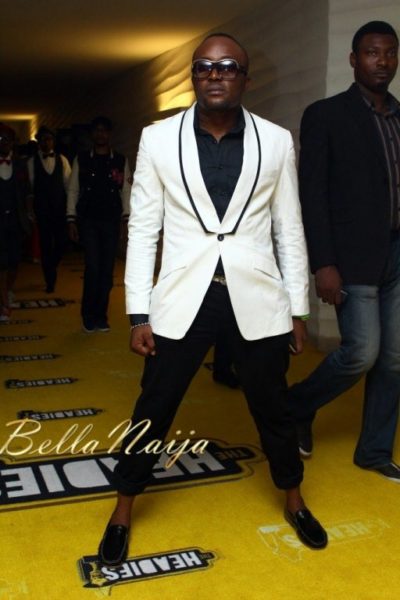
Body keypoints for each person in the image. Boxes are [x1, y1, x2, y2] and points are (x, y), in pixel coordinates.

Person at [98, 33, 328, 566]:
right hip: (182, 299)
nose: (215, 74)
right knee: (154, 407)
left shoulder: (276, 141)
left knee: (273, 408)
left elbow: (289, 229)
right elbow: (144, 230)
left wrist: (298, 309)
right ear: (194, 76)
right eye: (204, 66)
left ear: (245, 78)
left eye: (227, 66)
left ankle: (294, 499)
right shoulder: (158, 139)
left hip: (258, 298)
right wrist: (138, 313)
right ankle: (122, 509)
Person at [289, 21, 400, 483]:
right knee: (361, 352)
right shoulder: (326, 115)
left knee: (395, 357)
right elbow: (312, 194)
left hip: (397, 254)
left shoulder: (399, 116)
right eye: (372, 52)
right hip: (352, 257)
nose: (382, 61)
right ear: (354, 60)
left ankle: (374, 450)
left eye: (390, 52)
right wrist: (324, 263)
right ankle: (297, 405)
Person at [66, 116, 131, 332]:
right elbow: (73, 189)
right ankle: (88, 315)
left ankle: (101, 316)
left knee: (107, 270)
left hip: (111, 221)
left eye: (104, 130)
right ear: (92, 135)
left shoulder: (120, 160)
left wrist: (126, 219)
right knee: (93, 267)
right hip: (89, 221)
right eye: (97, 130)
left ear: (109, 134)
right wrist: (71, 218)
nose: (100, 134)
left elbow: (126, 191)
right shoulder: (82, 159)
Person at [27, 126, 71, 293]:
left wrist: (70, 210)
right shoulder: (31, 162)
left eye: (49, 139)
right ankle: (50, 281)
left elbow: (69, 186)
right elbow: (31, 188)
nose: (46, 142)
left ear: (53, 141)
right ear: (38, 142)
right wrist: (31, 211)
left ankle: (51, 265)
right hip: (42, 211)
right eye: (43, 139)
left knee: (62, 243)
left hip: (60, 210)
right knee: (45, 245)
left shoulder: (62, 160)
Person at [0, 123, 32, 320]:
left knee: (14, 262)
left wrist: (29, 215)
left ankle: (7, 289)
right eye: (0, 139)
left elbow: (27, 191)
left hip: (15, 221)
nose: (3, 142)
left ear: (13, 142)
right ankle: (3, 304)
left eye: (7, 139)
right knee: (2, 263)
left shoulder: (20, 164)